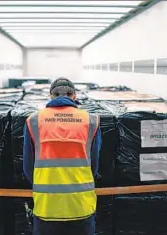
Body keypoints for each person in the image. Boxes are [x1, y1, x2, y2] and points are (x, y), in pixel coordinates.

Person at [23, 77, 102, 235]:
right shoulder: (90, 121)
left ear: (51, 96)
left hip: (47, 206)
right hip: (81, 205)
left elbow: (27, 167)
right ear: (74, 96)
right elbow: (94, 166)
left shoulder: (34, 121)